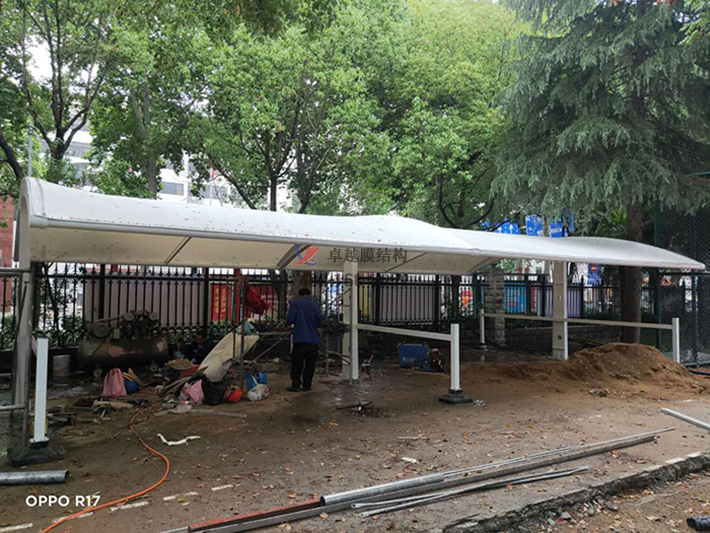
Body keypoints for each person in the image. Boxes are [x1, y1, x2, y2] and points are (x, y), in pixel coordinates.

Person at [286, 287, 322, 392]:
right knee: (310, 365)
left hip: (299, 340)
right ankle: (307, 385)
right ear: (309, 295)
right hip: (313, 340)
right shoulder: (315, 305)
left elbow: (290, 319)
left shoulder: (295, 304)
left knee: (297, 364)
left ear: (299, 294)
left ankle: (296, 384)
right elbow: (320, 322)